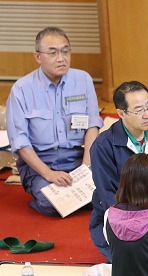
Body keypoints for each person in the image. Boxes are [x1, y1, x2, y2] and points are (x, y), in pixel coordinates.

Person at [6, 27, 103, 216]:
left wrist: (86, 165)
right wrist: (48, 174)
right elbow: (20, 141)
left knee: (106, 196)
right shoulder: (22, 89)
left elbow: (92, 125)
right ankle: (43, 193)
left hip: (77, 157)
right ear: (37, 56)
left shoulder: (83, 79)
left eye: (65, 51)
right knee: (52, 205)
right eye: (53, 53)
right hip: (41, 161)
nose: (61, 58)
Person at [90, 81, 148, 262]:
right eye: (139, 110)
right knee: (134, 264)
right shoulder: (103, 145)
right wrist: (135, 228)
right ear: (121, 113)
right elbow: (108, 195)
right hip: (121, 221)